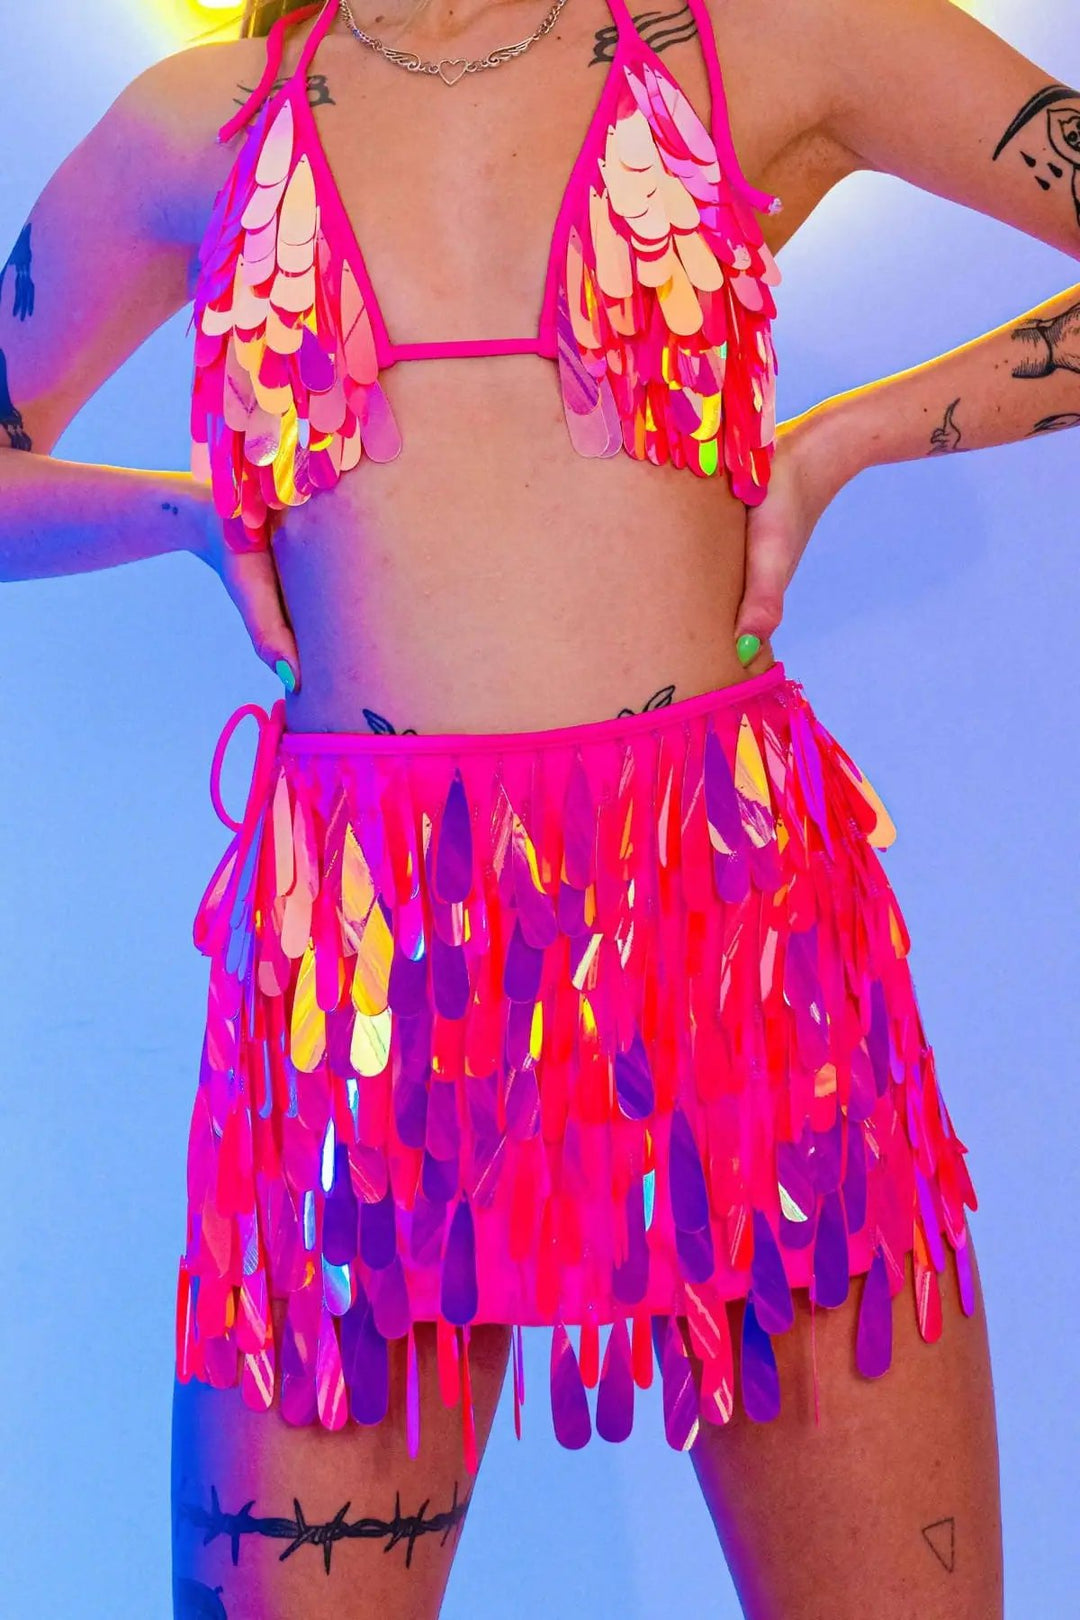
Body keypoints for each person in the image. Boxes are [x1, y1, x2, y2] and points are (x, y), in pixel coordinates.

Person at [2, 0, 1077, 1613]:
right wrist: (186, 514)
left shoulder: (774, 39)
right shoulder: (197, 123)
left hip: (737, 953)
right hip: (366, 994)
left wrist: (848, 437)